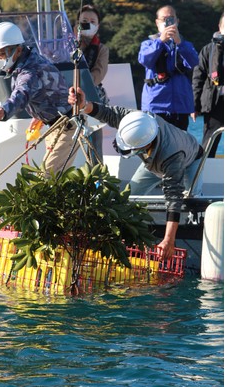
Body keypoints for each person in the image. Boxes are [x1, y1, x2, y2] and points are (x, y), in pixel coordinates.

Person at [68, 86, 204, 260]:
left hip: (191, 159)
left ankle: (195, 236)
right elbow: (108, 113)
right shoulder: (137, 120)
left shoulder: (173, 157)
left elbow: (173, 199)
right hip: (152, 161)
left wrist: (168, 240)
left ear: (144, 145)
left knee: (190, 201)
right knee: (129, 196)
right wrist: (84, 105)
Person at [0, 21, 79, 175]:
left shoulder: (30, 71)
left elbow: (22, 93)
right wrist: (39, 115)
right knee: (51, 177)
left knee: (47, 176)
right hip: (55, 126)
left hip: (67, 127)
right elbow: (44, 93)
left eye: (1, 54)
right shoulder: (26, 63)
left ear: (17, 50)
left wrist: (4, 111)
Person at [138, 5, 199, 131]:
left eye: (171, 19)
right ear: (157, 23)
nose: (168, 22)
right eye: (164, 19)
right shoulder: (148, 43)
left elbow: (193, 62)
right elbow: (145, 60)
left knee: (179, 145)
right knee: (156, 145)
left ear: (177, 21)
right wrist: (161, 41)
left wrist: (179, 43)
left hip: (180, 106)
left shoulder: (185, 44)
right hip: (155, 105)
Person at [74, 4, 109, 163]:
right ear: (77, 24)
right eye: (84, 21)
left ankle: (97, 181)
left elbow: (98, 74)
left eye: (92, 21)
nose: (88, 24)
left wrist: (82, 84)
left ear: (98, 26)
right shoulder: (68, 45)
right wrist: (77, 42)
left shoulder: (102, 49)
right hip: (70, 98)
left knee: (94, 144)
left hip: (93, 100)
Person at [192, 13, 224, 157]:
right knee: (209, 144)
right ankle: (201, 174)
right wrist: (194, 105)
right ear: (220, 27)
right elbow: (198, 78)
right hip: (215, 103)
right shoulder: (208, 50)